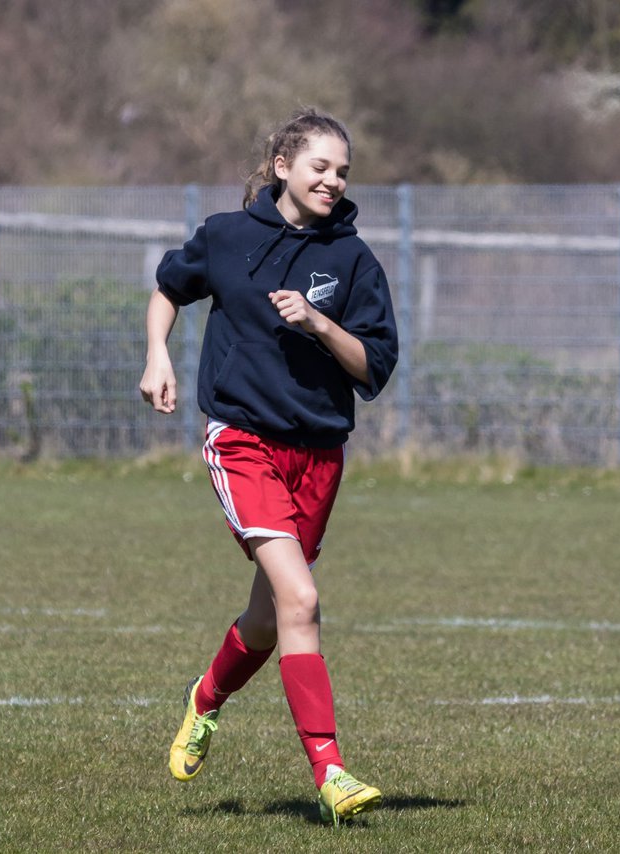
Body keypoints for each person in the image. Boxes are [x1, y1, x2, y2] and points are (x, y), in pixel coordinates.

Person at [138, 107, 398, 826]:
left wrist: (319, 324)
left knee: (266, 619)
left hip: (318, 456)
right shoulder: (227, 237)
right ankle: (331, 770)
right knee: (303, 602)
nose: (333, 180)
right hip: (243, 442)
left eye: (343, 171)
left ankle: (206, 698)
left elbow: (373, 366)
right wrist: (158, 355)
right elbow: (169, 288)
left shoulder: (353, 261)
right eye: (320, 166)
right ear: (283, 167)